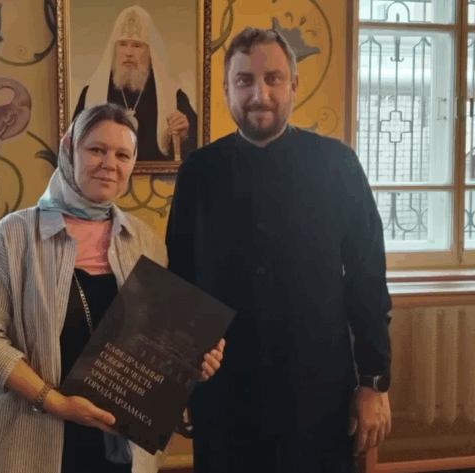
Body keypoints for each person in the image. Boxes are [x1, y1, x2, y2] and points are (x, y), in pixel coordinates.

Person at [0, 103, 225, 473]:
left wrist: (193, 360)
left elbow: (159, 341)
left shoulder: (144, 241)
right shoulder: (14, 236)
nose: (109, 164)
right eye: (96, 149)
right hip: (33, 445)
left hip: (124, 449)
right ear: (68, 149)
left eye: (122, 155)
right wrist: (56, 402)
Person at [165, 27, 393, 473]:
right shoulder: (198, 172)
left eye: (273, 78)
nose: (260, 95)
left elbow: (367, 280)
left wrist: (373, 381)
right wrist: (177, 383)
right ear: (227, 89)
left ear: (294, 84)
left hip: (318, 394)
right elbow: (181, 283)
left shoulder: (338, 164)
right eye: (244, 81)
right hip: (224, 395)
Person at [73, 5, 197, 162]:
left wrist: (185, 136)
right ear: (115, 49)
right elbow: (72, 150)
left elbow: (198, 153)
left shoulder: (173, 97)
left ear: (150, 52)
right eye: (123, 44)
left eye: (137, 46)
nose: (129, 53)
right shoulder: (92, 95)